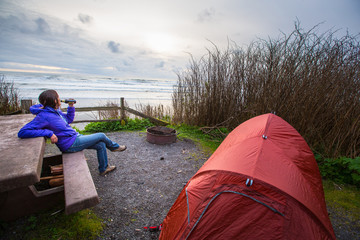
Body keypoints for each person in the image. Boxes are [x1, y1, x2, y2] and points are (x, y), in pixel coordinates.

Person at [18, 89, 126, 176]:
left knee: (101, 145)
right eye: (58, 97)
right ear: (55, 101)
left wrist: (71, 107)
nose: (60, 99)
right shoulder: (44, 116)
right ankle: (114, 147)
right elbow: (23, 132)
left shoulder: (56, 111)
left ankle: (103, 168)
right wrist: (49, 133)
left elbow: (68, 120)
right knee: (101, 135)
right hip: (70, 144)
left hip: (75, 137)